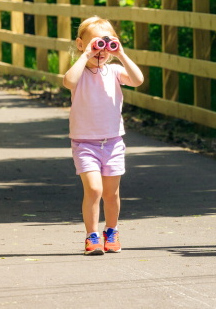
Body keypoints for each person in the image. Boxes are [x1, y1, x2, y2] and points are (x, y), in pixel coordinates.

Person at [62, 16, 145, 256]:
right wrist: (85, 55)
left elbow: (138, 80)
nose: (101, 50)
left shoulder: (115, 71)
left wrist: (120, 54)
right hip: (84, 143)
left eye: (106, 44)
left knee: (111, 193)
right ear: (81, 44)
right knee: (94, 191)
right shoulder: (79, 73)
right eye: (96, 44)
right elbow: (69, 81)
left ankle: (111, 231)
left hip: (113, 142)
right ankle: (92, 236)